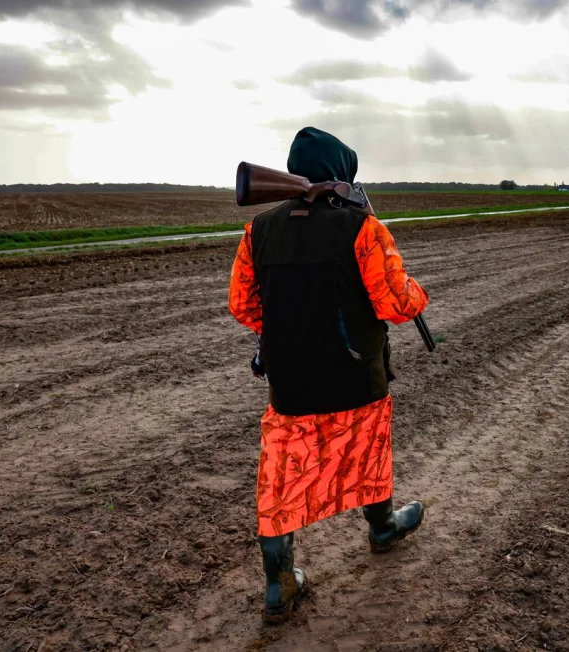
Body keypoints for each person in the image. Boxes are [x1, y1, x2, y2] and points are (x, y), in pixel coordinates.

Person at [228, 127, 430, 624]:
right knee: (369, 452)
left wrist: (291, 332)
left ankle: (279, 585)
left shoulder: (259, 230)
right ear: (344, 175)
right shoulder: (363, 229)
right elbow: (396, 304)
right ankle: (382, 529)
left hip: (290, 387)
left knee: (279, 482)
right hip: (357, 381)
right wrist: (418, 291)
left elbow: (243, 304)